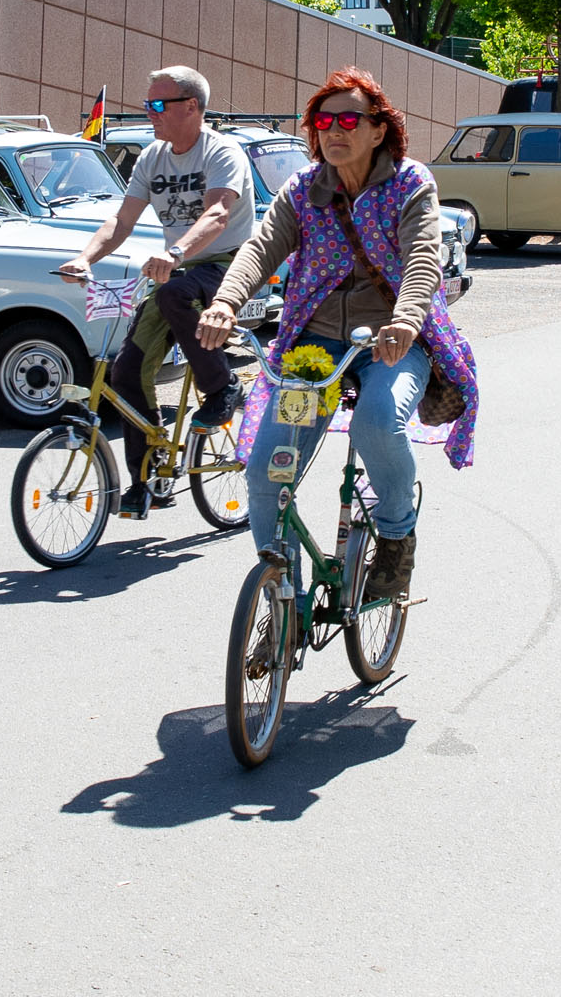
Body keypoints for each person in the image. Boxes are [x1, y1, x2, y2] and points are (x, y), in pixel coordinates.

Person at [196, 67, 476, 600]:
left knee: (378, 423)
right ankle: (283, 598)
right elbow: (261, 247)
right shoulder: (303, 189)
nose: (334, 130)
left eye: (349, 119)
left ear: (379, 130)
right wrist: (226, 303)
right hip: (315, 346)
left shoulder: (411, 184)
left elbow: (422, 258)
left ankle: (395, 535)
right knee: (266, 475)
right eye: (324, 120)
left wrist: (404, 320)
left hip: (392, 341)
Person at [57, 66, 255, 520]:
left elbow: (219, 214)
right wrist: (85, 258)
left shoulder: (221, 153)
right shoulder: (152, 157)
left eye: (159, 104)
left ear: (191, 107)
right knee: (125, 374)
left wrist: (177, 250)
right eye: (148, 104)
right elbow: (121, 221)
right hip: (179, 269)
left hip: (228, 265)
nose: (150, 112)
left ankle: (222, 387)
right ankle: (144, 478)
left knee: (175, 292)